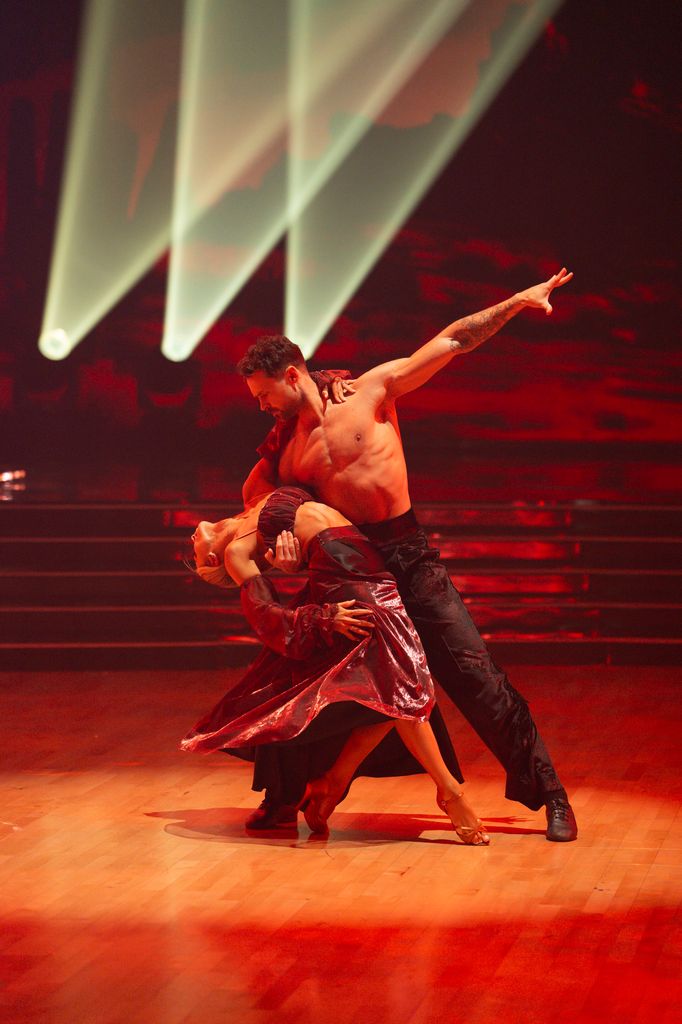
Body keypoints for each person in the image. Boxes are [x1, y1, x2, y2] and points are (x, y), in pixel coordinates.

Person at [238, 268, 578, 842]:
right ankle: (286, 797)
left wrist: (517, 302)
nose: (262, 407)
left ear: (291, 375)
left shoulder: (369, 391)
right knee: (303, 682)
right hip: (350, 573)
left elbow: (452, 340)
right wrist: (283, 549)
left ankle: (551, 796)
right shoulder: (288, 451)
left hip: (410, 559)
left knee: (477, 678)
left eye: (265, 395)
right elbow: (253, 504)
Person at [182, 487, 489, 845]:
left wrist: (290, 564)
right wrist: (323, 619)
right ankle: (450, 793)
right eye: (197, 556)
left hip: (365, 557)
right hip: (342, 576)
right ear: (215, 560)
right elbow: (267, 617)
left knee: (391, 686)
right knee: (400, 683)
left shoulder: (250, 504)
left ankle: (335, 780)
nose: (192, 542)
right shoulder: (237, 554)